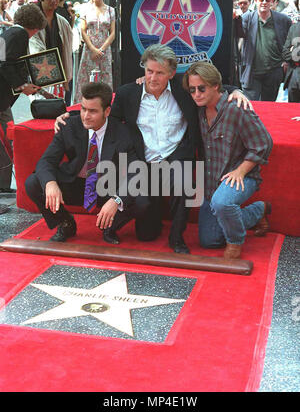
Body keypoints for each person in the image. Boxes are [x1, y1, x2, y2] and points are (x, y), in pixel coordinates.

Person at [55, 44, 252, 253]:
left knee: (182, 178)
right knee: (146, 235)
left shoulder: (183, 91)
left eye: (160, 73)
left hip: (174, 158)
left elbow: (214, 88)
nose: (153, 78)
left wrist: (237, 92)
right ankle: (136, 219)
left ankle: (177, 238)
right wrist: (72, 117)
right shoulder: (128, 94)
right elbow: (106, 116)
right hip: (143, 164)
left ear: (172, 73)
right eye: (149, 71)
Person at [25, 82, 149, 244]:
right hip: (75, 184)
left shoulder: (122, 133)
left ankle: (110, 227)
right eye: (83, 109)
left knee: (142, 199)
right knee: (34, 182)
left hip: (107, 188)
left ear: (107, 111)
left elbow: (136, 172)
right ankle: (65, 223)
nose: (86, 116)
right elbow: (46, 161)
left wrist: (117, 200)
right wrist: (50, 183)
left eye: (93, 111)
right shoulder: (69, 126)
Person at [182, 61, 273, 259]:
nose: (196, 93)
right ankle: (258, 211)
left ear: (215, 85)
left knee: (222, 203)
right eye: (192, 89)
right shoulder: (198, 108)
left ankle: (235, 242)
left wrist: (241, 170)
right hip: (211, 182)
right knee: (210, 240)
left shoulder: (236, 108)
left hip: (241, 177)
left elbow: (264, 143)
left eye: (201, 88)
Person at [0, 4, 47, 196]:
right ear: (35, 25)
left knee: (5, 136)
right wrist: (23, 85)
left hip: (3, 98)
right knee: (5, 139)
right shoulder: (19, 35)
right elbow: (6, 64)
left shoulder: (10, 32)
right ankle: (2, 185)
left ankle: (3, 184)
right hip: (2, 97)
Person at [236, 0, 292, 101]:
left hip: (274, 72)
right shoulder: (246, 18)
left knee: (269, 108)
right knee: (250, 108)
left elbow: (289, 41)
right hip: (252, 73)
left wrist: (286, 61)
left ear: (272, 1)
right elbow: (236, 35)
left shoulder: (283, 20)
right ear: (255, 1)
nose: (264, 2)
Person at [29, 0, 73, 99]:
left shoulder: (63, 22)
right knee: (42, 110)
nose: (53, 0)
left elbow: (68, 49)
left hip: (60, 76)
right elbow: (34, 50)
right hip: (40, 73)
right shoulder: (32, 20)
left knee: (59, 110)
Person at [73, 0, 115, 103]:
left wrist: (101, 50)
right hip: (89, 50)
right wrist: (92, 49)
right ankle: (80, 107)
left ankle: (105, 106)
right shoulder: (85, 9)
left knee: (105, 78)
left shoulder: (110, 10)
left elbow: (112, 33)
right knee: (85, 78)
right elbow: (83, 30)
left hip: (104, 50)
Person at [282, 21, 300, 102]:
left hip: (294, 66)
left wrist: (294, 50)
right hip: (293, 73)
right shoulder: (294, 27)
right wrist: (295, 54)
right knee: (292, 111)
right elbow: (285, 53)